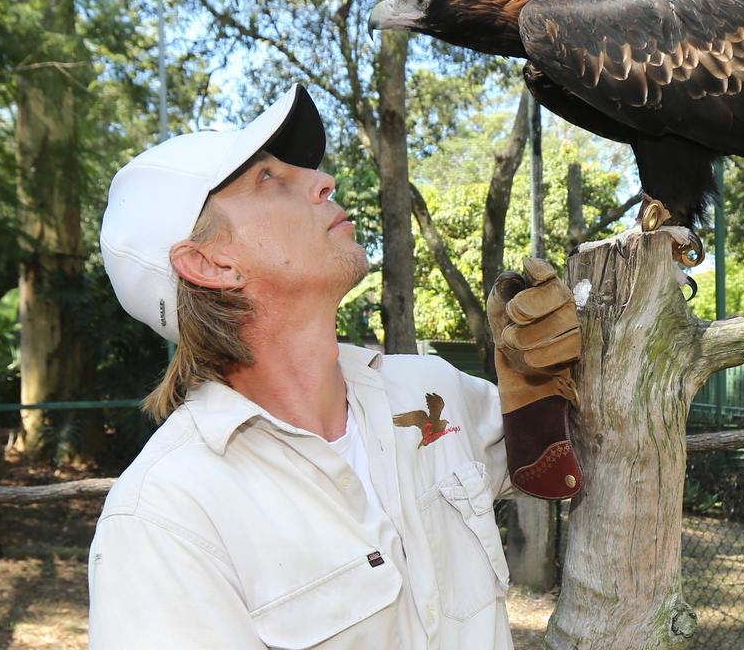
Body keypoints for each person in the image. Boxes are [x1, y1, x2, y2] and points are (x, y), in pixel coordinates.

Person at [89, 85, 582, 649]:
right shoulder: (166, 515)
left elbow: (573, 457)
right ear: (209, 263)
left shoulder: (428, 393)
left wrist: (544, 383)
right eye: (266, 179)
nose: (322, 181)